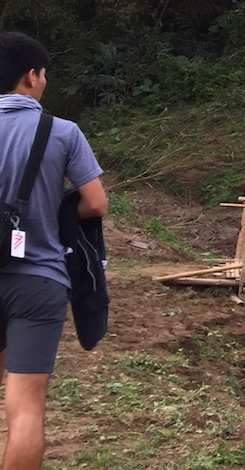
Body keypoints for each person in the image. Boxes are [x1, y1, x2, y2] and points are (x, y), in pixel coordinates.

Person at [0, 32, 108, 470]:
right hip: (38, 279)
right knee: (25, 407)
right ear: (31, 76)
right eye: (43, 74)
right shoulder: (61, 132)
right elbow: (95, 203)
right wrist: (55, 210)